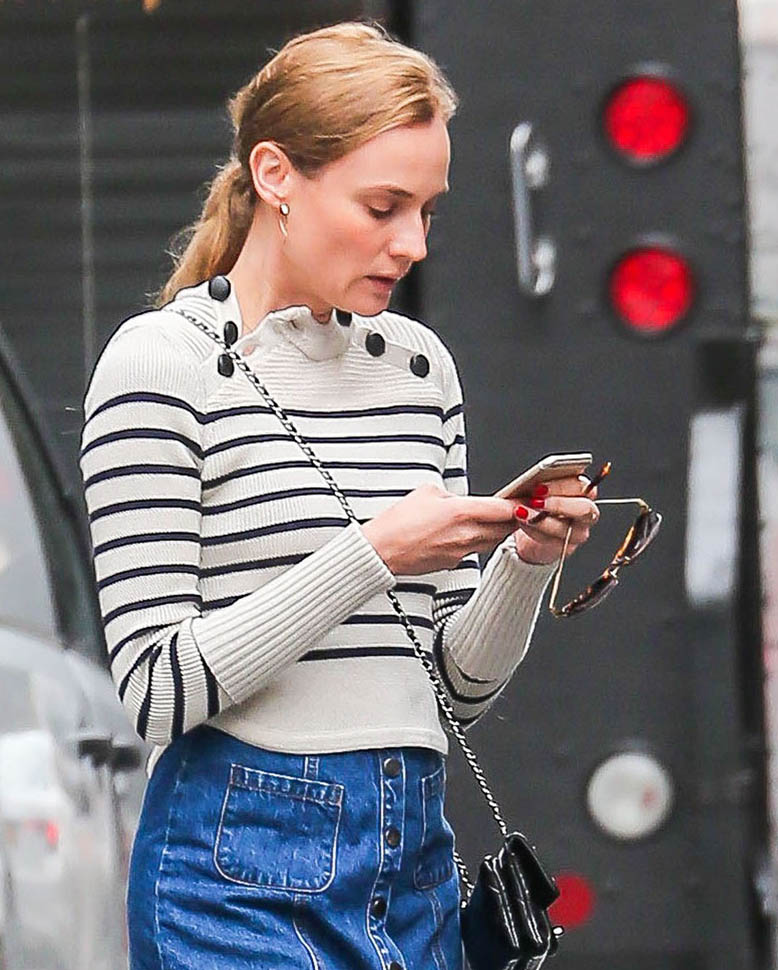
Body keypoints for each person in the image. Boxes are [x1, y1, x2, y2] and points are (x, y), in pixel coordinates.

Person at [78, 20, 599, 970]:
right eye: (383, 206)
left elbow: (450, 691)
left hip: (415, 858)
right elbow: (156, 687)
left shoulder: (418, 370)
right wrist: (376, 553)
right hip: (234, 865)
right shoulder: (161, 364)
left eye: (428, 210)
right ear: (276, 174)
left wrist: (526, 562)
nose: (413, 243)